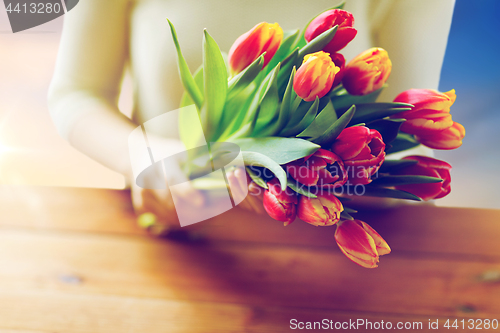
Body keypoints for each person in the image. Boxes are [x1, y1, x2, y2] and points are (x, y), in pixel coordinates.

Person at [48, 0, 455, 230]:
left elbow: (405, 137)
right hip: (171, 232)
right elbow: (76, 92)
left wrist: (310, 181)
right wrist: (143, 156)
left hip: (333, 249)